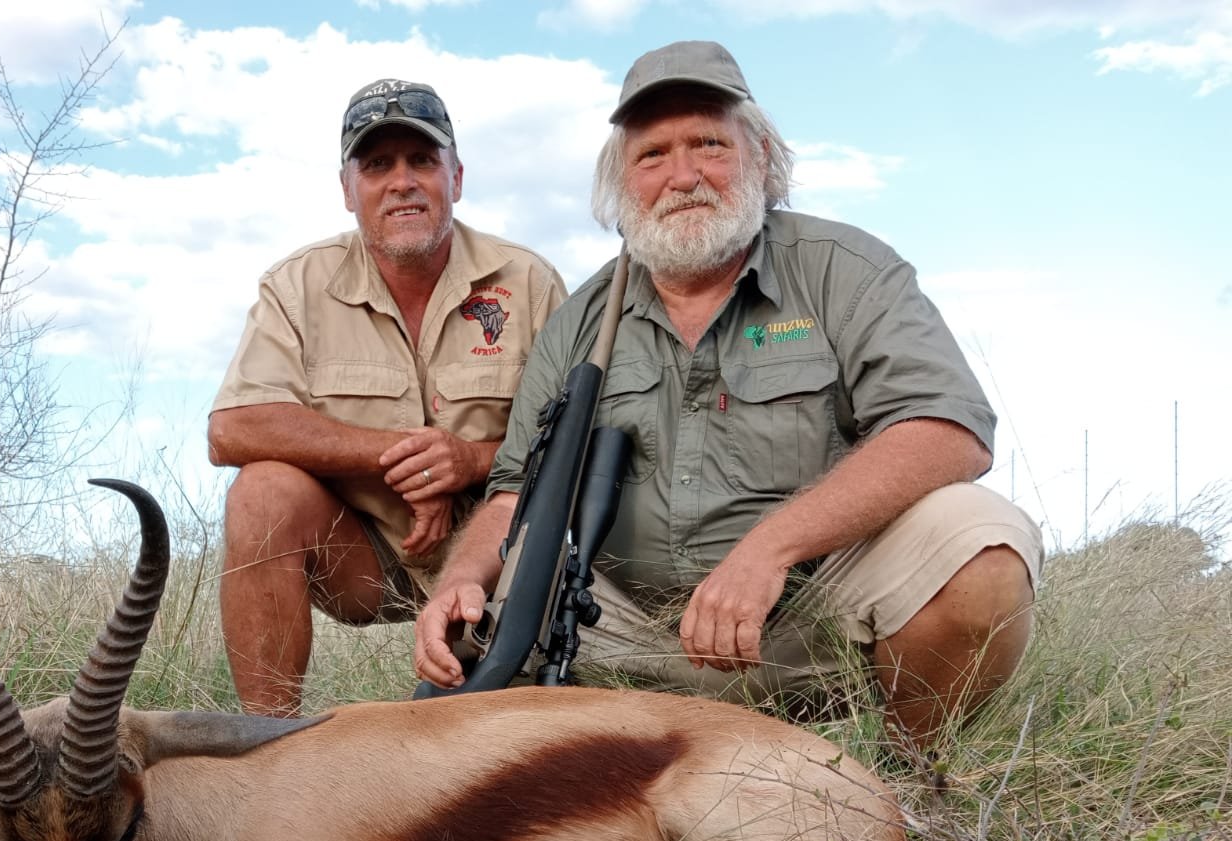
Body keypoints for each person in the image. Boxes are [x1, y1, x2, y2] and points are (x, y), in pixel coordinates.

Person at [413, 41, 1044, 751]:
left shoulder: (847, 269)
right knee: (480, 611)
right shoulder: (581, 319)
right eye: (652, 156)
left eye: (709, 144)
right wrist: (458, 582)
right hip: (620, 632)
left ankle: (908, 772)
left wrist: (768, 552)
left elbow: (946, 428)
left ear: (763, 159)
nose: (683, 176)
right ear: (622, 185)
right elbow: (512, 495)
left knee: (979, 543)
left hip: (810, 619)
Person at [210, 79, 567, 716]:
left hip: (500, 553)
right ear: (348, 189)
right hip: (369, 555)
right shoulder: (296, 285)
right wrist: (402, 459)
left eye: (422, 160)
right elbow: (233, 429)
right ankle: (264, 746)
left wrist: (468, 462)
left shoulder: (530, 282)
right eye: (377, 165)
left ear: (456, 176)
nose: (401, 181)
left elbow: (575, 439)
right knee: (261, 492)